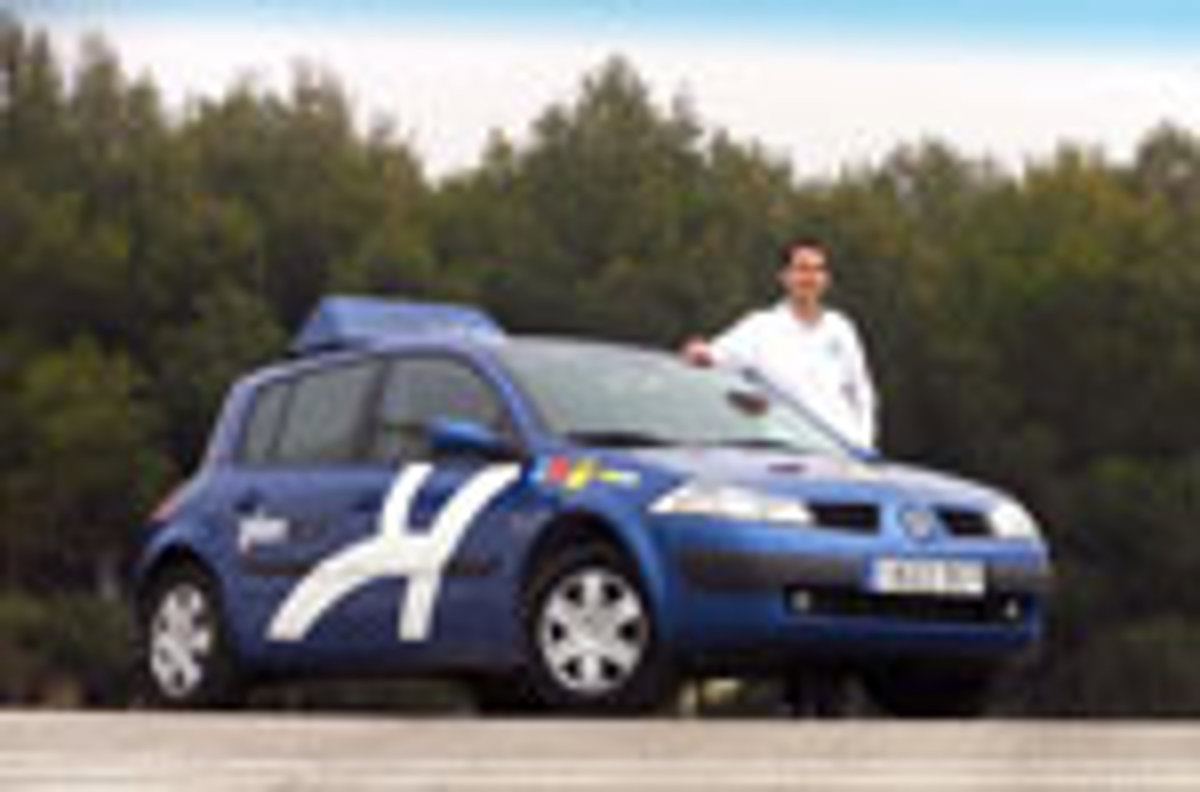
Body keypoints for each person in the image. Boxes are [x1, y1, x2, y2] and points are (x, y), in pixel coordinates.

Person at [683, 237, 878, 449]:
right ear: (785, 277)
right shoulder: (760, 327)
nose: (810, 278)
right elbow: (714, 357)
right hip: (789, 451)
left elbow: (862, 391)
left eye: (817, 270)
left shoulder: (841, 327)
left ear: (826, 279)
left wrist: (863, 443)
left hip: (842, 450)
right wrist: (699, 353)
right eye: (802, 269)